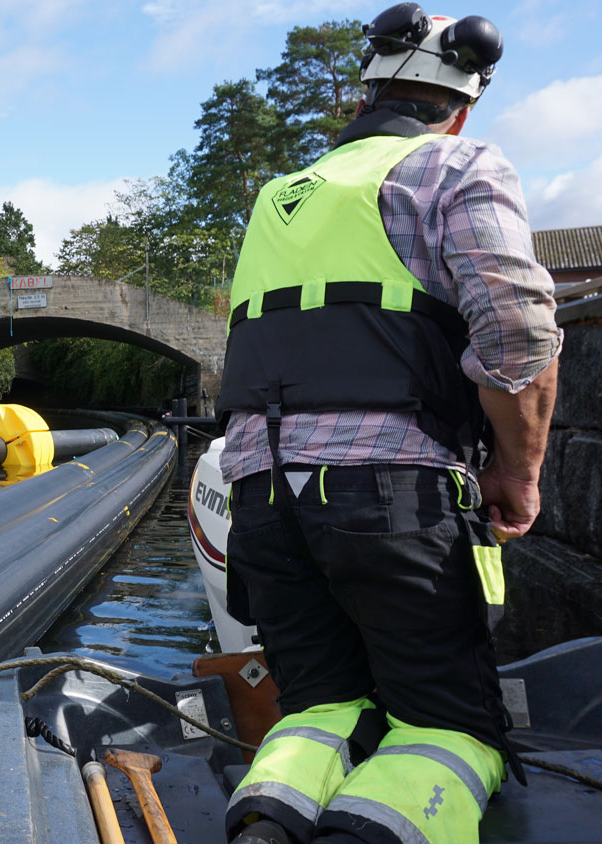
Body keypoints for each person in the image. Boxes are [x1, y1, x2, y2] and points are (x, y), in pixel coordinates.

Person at [214, 4, 561, 843]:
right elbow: (517, 334)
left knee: (321, 704)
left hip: (262, 496)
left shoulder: (279, 195)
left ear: (360, 93)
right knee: (447, 725)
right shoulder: (455, 165)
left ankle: (270, 822)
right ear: (463, 106)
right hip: (389, 494)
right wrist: (518, 474)